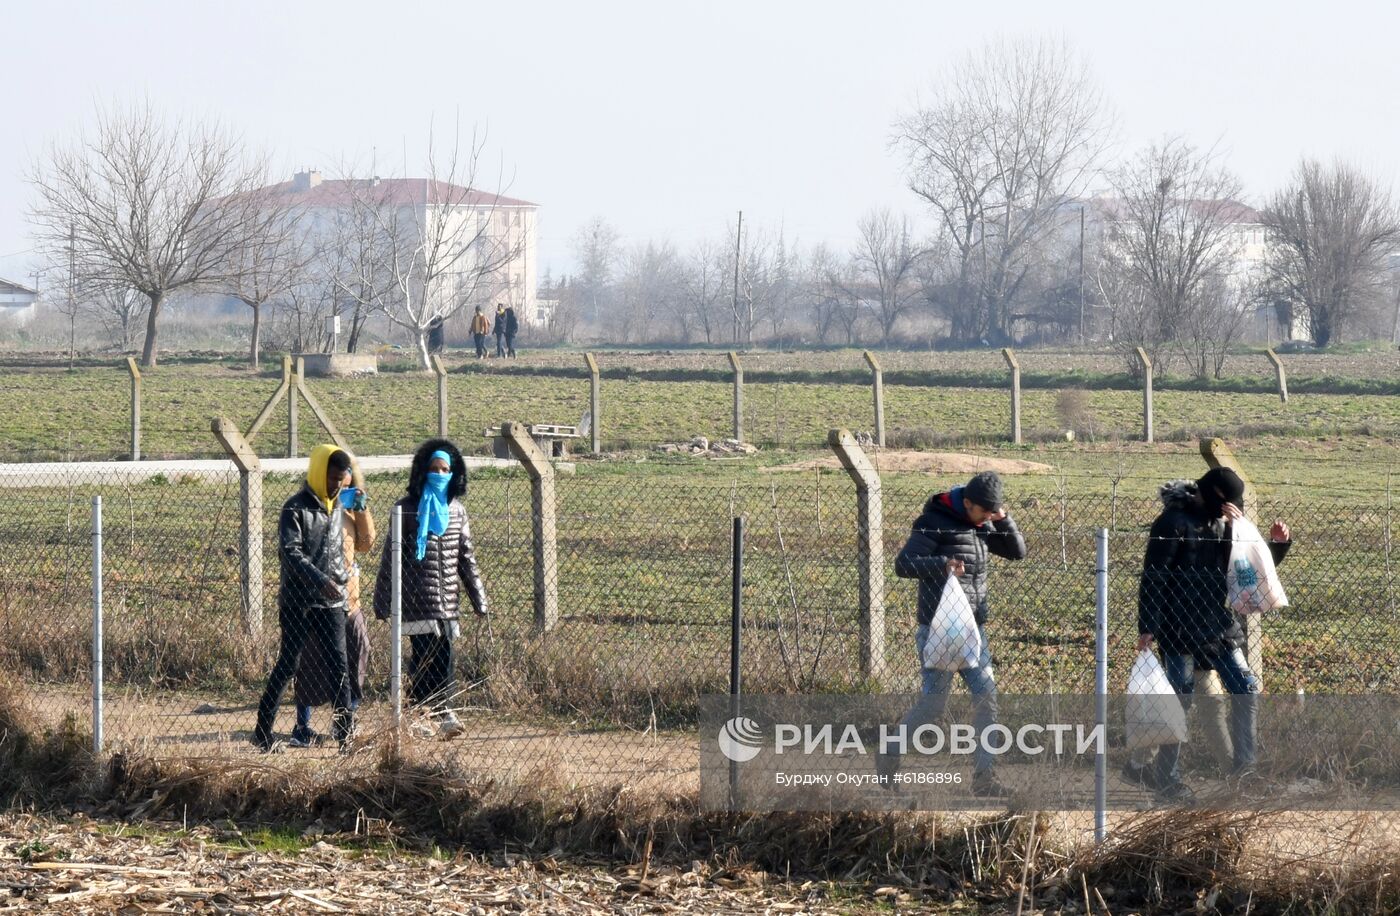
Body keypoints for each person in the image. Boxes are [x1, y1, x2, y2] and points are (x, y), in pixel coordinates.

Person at [1129, 468, 1292, 802]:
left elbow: (1248, 569)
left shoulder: (1225, 524)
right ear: (1211, 492)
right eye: (1227, 502)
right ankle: (1167, 779)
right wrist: (1148, 627)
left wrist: (1275, 544)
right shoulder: (1171, 523)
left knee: (1246, 688)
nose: (1230, 508)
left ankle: (1246, 771)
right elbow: (1153, 578)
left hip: (1219, 626)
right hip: (1178, 630)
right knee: (1179, 703)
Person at [878, 471, 1027, 797]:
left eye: (993, 512)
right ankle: (889, 753)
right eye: (984, 512)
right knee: (934, 706)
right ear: (967, 503)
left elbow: (1017, 552)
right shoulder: (934, 521)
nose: (988, 518)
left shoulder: (983, 523)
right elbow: (904, 564)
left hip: (972, 630)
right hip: (939, 630)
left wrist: (1003, 519)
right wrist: (943, 564)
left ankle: (984, 779)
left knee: (987, 696)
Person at [373, 439, 488, 737]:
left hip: (448, 601)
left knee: (446, 659)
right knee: (423, 659)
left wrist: (479, 598)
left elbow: (466, 557)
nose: (439, 474)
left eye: (445, 469)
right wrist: (382, 599)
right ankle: (420, 715)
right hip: (416, 599)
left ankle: (444, 713)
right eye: (434, 468)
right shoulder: (406, 509)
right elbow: (390, 556)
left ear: (454, 474)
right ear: (423, 472)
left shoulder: (457, 511)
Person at [253, 445, 355, 752]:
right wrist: (322, 581)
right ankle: (262, 732)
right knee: (289, 664)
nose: (336, 484)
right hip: (299, 601)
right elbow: (290, 553)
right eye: (332, 477)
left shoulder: (336, 507)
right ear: (318, 471)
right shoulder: (294, 507)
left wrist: (341, 586)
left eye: (341, 478)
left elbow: (336, 554)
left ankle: (345, 736)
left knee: (339, 667)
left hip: (332, 602)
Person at [288, 466, 375, 748]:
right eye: (337, 483)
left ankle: (346, 718)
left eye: (347, 486)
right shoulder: (313, 511)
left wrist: (361, 510)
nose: (340, 489)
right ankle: (302, 727)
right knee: (311, 662)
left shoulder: (349, 514)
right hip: (318, 602)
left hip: (350, 602)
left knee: (358, 653)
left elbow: (366, 544)